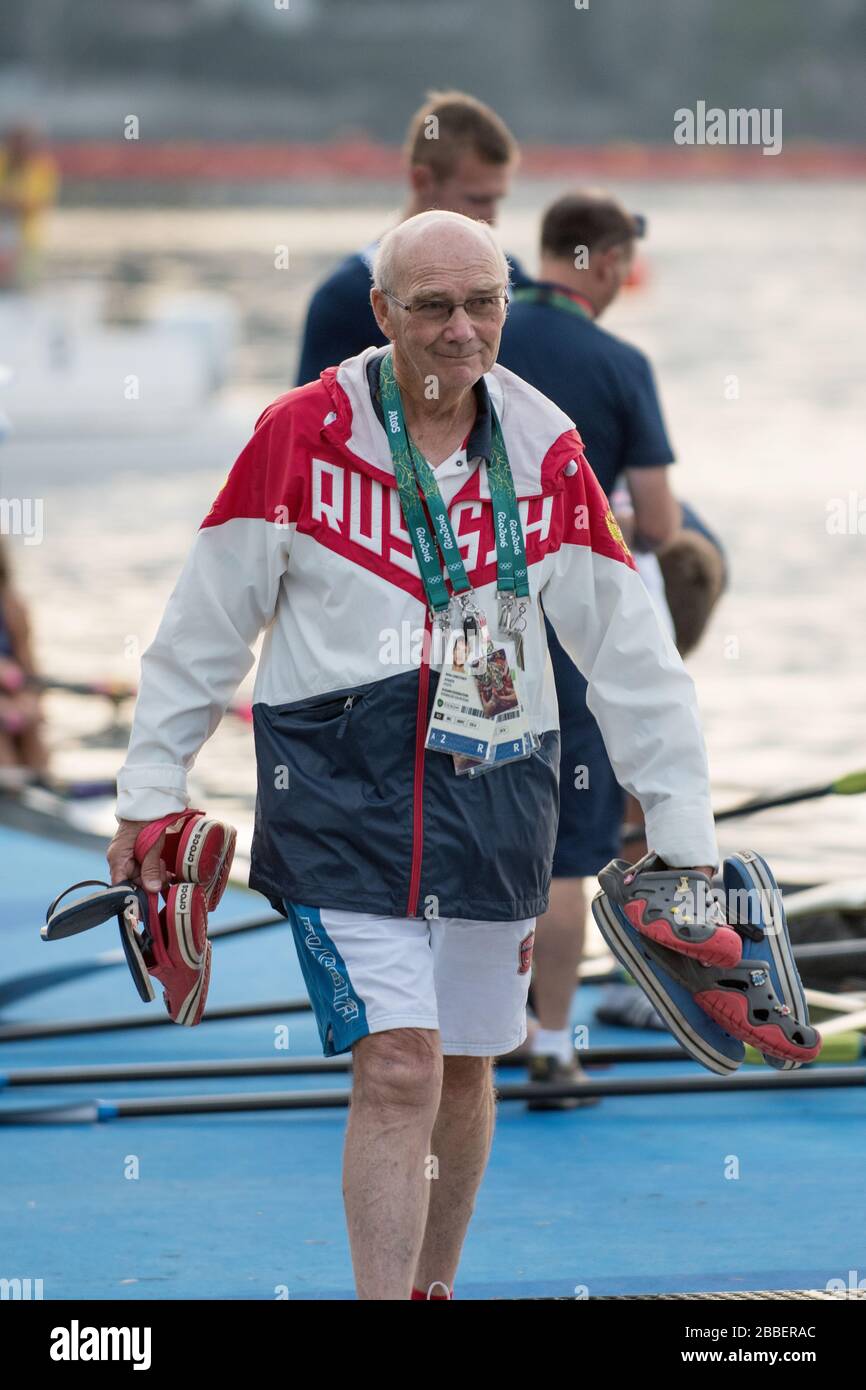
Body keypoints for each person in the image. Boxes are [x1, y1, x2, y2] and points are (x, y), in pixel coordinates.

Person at [108, 209, 723, 1301]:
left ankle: (433, 1287)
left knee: (466, 1064)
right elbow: (202, 626)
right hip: (338, 798)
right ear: (382, 312)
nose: (459, 330)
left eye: (480, 303)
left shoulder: (546, 449)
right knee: (396, 1063)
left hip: (498, 795)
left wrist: (683, 845)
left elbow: (633, 655)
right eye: (430, 306)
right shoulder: (296, 435)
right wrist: (148, 794)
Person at [497, 191, 725, 1102]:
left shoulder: (476, 336)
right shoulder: (620, 362)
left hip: (469, 624)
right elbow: (661, 524)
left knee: (478, 830)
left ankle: (474, 1032)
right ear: (606, 262)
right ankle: (550, 1047)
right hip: (576, 627)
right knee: (563, 856)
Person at [295, 89, 530, 386]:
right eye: (477, 199)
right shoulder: (343, 299)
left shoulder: (514, 278)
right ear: (422, 180)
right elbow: (316, 424)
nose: (491, 219)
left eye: (482, 302)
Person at [0, 538, 49, 779]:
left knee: (30, 725)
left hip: (11, 695)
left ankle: (44, 791)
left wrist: (31, 700)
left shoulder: (12, 605)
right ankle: (11, 793)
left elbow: (30, 671)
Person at [0, 125, 59, 292]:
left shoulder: (42, 167)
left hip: (26, 241)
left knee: (23, 289)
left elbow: (37, 204)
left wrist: (10, 202)